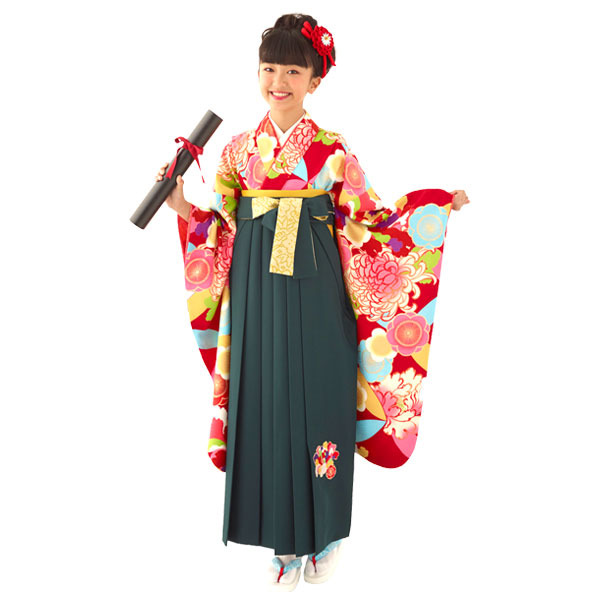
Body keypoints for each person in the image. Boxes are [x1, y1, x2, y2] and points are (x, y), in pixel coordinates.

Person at [155, 13, 470, 591]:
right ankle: (282, 542)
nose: (278, 81)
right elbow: (221, 226)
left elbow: (371, 219)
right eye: (269, 69)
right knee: (263, 403)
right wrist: (180, 206)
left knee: (321, 398)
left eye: (293, 72)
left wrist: (431, 207)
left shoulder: (331, 150)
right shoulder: (237, 151)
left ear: (315, 81)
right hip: (255, 289)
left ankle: (325, 534)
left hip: (318, 289)